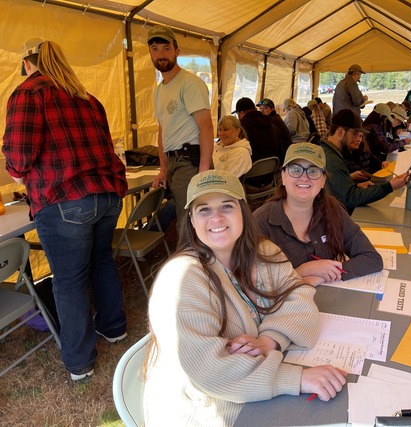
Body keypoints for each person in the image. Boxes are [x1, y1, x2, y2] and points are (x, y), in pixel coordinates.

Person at [143, 169, 347, 426]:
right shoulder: (182, 278)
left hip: (255, 394)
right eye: (204, 209)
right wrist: (296, 379)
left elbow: (301, 299)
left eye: (226, 206)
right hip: (204, 412)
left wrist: (270, 339)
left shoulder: (263, 252)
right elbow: (209, 371)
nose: (216, 217)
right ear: (192, 221)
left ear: (243, 212)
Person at [2, 38, 128, 381]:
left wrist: (18, 172)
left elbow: (17, 159)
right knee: (101, 260)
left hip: (65, 201)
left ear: (27, 63)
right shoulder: (88, 98)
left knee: (69, 282)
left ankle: (79, 361)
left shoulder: (28, 93)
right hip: (107, 195)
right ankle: (114, 327)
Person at [253, 143, 383, 287]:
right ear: (283, 176)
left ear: (323, 180)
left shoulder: (333, 210)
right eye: (295, 170)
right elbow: (252, 282)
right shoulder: (260, 221)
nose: (304, 178)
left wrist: (326, 274)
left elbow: (372, 259)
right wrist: (302, 271)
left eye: (313, 171)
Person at [147, 25, 214, 232]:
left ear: (177, 51)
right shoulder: (159, 91)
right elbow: (163, 131)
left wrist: (203, 171)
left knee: (190, 223)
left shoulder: (189, 83)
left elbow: (207, 127)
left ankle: (194, 263)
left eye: (166, 48)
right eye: (155, 49)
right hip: (174, 161)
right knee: (185, 219)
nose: (161, 54)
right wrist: (163, 169)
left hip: (189, 162)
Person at [320, 109, 408, 214]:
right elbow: (350, 198)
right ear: (340, 132)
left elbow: (337, 190)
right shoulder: (332, 159)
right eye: (355, 134)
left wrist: (355, 186)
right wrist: (390, 186)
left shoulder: (329, 152)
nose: (358, 138)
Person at [233, 97, 285, 163]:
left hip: (251, 170)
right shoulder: (273, 125)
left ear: (242, 113)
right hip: (272, 169)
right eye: (261, 108)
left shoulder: (241, 127)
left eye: (237, 114)